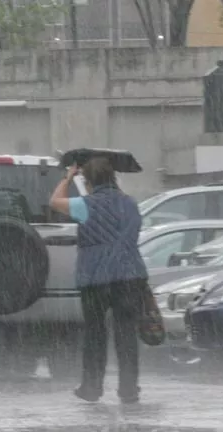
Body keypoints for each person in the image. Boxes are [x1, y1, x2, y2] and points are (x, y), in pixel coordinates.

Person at [49, 157, 148, 403]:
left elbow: (54, 202)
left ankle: (92, 388)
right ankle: (128, 389)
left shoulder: (85, 205)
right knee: (126, 333)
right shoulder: (130, 204)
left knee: (95, 333)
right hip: (130, 275)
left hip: (95, 277)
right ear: (113, 178)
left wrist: (68, 177)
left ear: (89, 181)